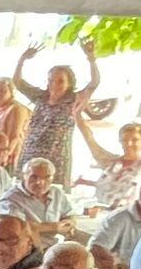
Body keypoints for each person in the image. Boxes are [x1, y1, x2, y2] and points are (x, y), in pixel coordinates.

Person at [13, 40, 100, 185]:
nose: (54, 84)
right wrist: (22, 60)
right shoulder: (40, 97)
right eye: (51, 80)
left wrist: (91, 59)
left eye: (60, 81)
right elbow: (18, 82)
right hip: (31, 152)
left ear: (69, 83)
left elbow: (94, 83)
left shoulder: (74, 99)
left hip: (56, 156)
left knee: (52, 193)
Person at [0, 157, 80, 240]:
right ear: (24, 176)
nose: (39, 182)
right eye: (34, 177)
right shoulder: (11, 198)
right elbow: (16, 228)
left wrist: (69, 223)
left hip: (55, 244)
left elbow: (69, 215)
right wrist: (54, 227)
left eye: (46, 177)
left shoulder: (57, 193)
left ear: (52, 178)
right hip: (28, 249)